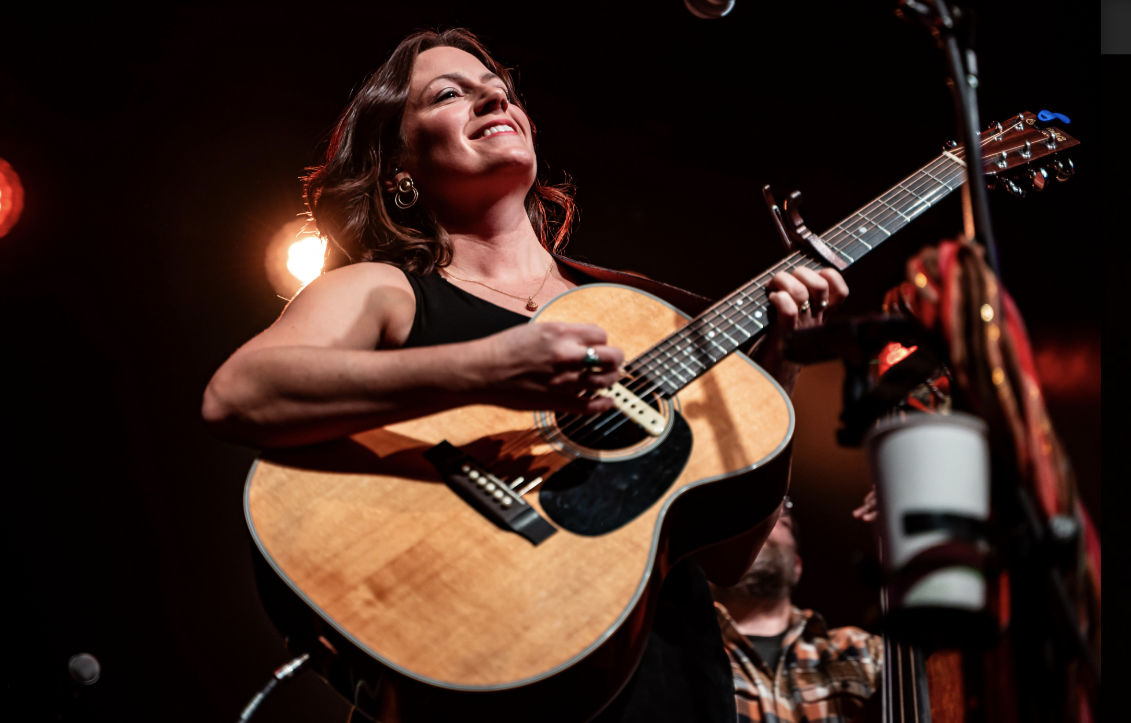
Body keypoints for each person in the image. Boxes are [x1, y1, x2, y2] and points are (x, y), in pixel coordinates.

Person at [202, 28, 848, 722]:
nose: (489, 96)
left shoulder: (642, 312)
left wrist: (781, 363)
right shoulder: (385, 290)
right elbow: (237, 395)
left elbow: (725, 553)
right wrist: (491, 367)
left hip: (668, 683)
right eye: (450, 94)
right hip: (472, 662)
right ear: (399, 167)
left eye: (498, 89)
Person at [711, 499, 883, 723]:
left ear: (797, 567)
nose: (756, 528)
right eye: (740, 527)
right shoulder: (674, 657)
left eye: (779, 522)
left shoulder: (864, 652)